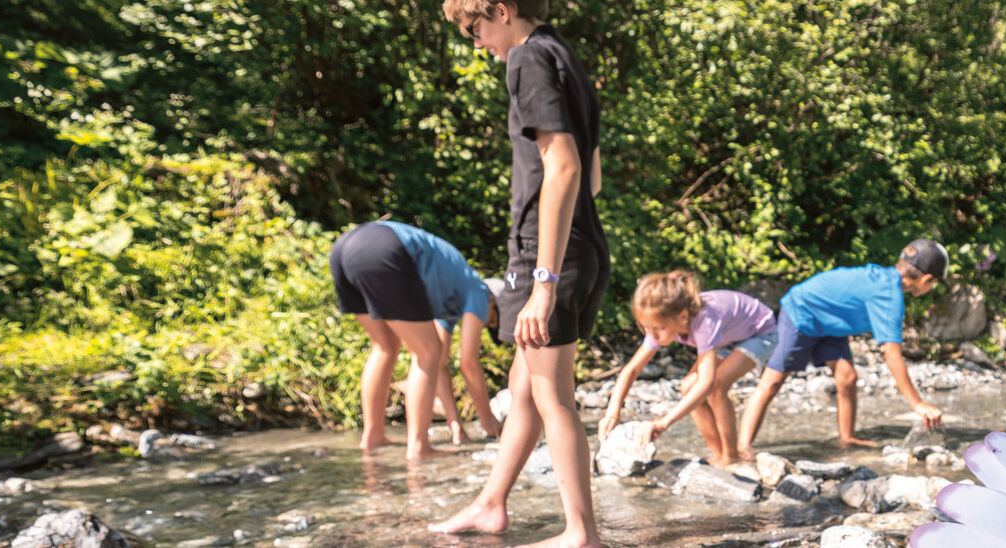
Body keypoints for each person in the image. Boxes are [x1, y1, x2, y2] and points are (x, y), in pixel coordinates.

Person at [430, 1, 609, 546]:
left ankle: (580, 533)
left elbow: (566, 166)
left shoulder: (527, 59)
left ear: (501, 11)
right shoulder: (564, 54)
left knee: (552, 395)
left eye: (474, 28)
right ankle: (490, 503)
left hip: (545, 258)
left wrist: (545, 280)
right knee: (525, 387)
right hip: (579, 245)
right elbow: (593, 176)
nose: (476, 41)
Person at [736, 239, 950, 460]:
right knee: (772, 381)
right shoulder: (889, 295)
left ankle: (846, 438)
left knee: (847, 377)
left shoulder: (886, 280)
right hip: (802, 312)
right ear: (927, 279)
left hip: (830, 323)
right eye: (933, 284)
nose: (931, 288)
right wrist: (917, 403)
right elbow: (891, 354)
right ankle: (742, 448)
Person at [328, 220, 502, 461]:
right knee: (426, 351)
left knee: (386, 346)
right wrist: (488, 421)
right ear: (492, 301)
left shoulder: (451, 300)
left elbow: (440, 363)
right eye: (491, 321)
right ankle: (419, 447)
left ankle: (373, 436)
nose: (483, 324)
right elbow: (468, 362)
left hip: (344, 249)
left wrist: (455, 423)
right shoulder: (478, 290)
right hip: (384, 247)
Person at [598, 271, 776, 469]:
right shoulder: (661, 322)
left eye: (656, 328)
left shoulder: (705, 321)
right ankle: (719, 455)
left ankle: (731, 456)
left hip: (759, 334)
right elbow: (631, 370)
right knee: (688, 387)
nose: (651, 335)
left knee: (717, 386)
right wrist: (612, 412)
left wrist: (664, 423)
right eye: (645, 327)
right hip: (727, 337)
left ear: (682, 316)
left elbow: (707, 383)